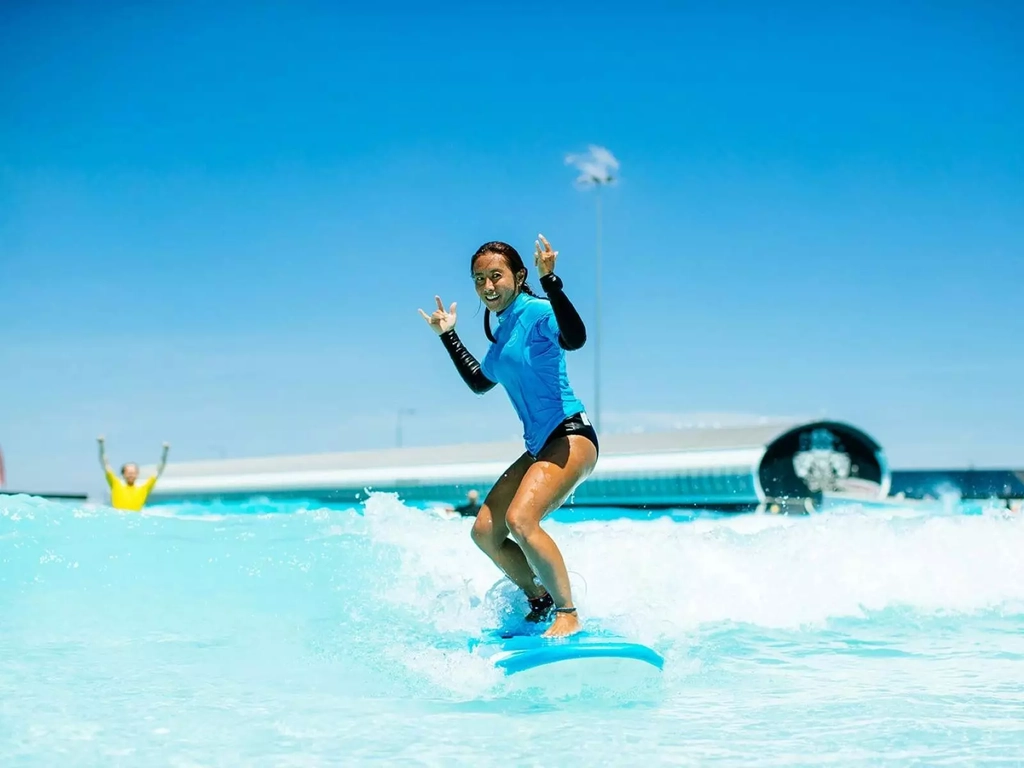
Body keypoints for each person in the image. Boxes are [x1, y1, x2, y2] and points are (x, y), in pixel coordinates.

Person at [418, 234, 598, 638]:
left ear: (518, 276)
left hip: (570, 435)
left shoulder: (537, 312)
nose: (487, 286)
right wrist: (448, 335)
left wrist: (552, 282)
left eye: (496, 276)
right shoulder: (501, 338)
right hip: (538, 446)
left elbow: (576, 338)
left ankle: (568, 612)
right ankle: (539, 599)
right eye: (479, 279)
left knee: (521, 519)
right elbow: (481, 382)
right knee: (484, 530)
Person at [97, 436, 170, 511]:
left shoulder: (143, 488)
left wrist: (165, 452)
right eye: (128, 472)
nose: (131, 475)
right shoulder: (115, 484)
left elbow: (159, 471)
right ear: (123, 474)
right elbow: (105, 464)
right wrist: (101, 445)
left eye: (133, 472)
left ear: (137, 474)